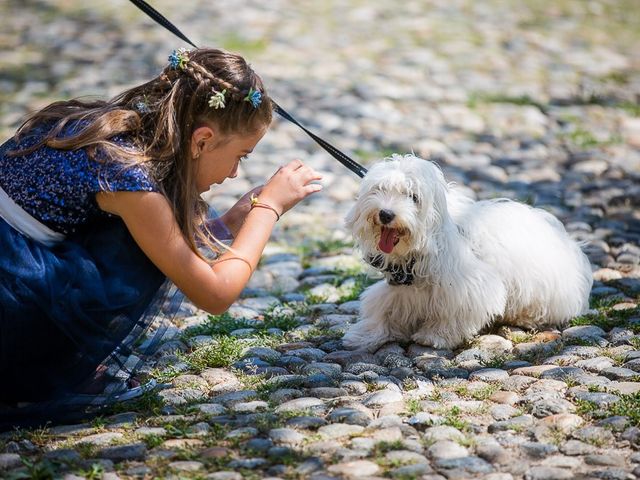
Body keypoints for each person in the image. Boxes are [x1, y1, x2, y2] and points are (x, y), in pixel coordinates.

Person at [0, 47, 322, 427]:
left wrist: (232, 222)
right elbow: (215, 293)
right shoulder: (129, 180)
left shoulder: (112, 132)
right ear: (202, 140)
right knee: (131, 252)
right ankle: (36, 373)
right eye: (242, 156)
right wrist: (269, 208)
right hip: (11, 295)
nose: (235, 173)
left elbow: (164, 241)